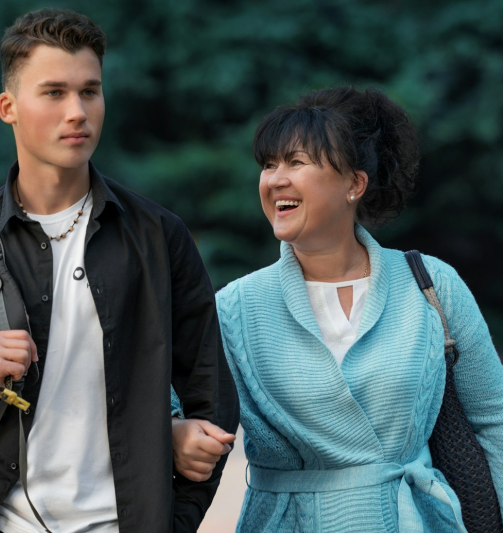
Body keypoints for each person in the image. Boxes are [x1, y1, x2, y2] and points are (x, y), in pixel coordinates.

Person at [0, 8, 239, 533]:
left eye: (90, 91)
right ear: (8, 107)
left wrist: (172, 521)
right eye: (54, 93)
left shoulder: (159, 237)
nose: (78, 112)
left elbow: (213, 400)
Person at [171, 86, 503, 531]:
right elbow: (160, 395)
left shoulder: (430, 285)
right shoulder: (236, 307)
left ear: (355, 184)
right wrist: (173, 431)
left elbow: (493, 417)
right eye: (269, 164)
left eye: (296, 162)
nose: (275, 179)